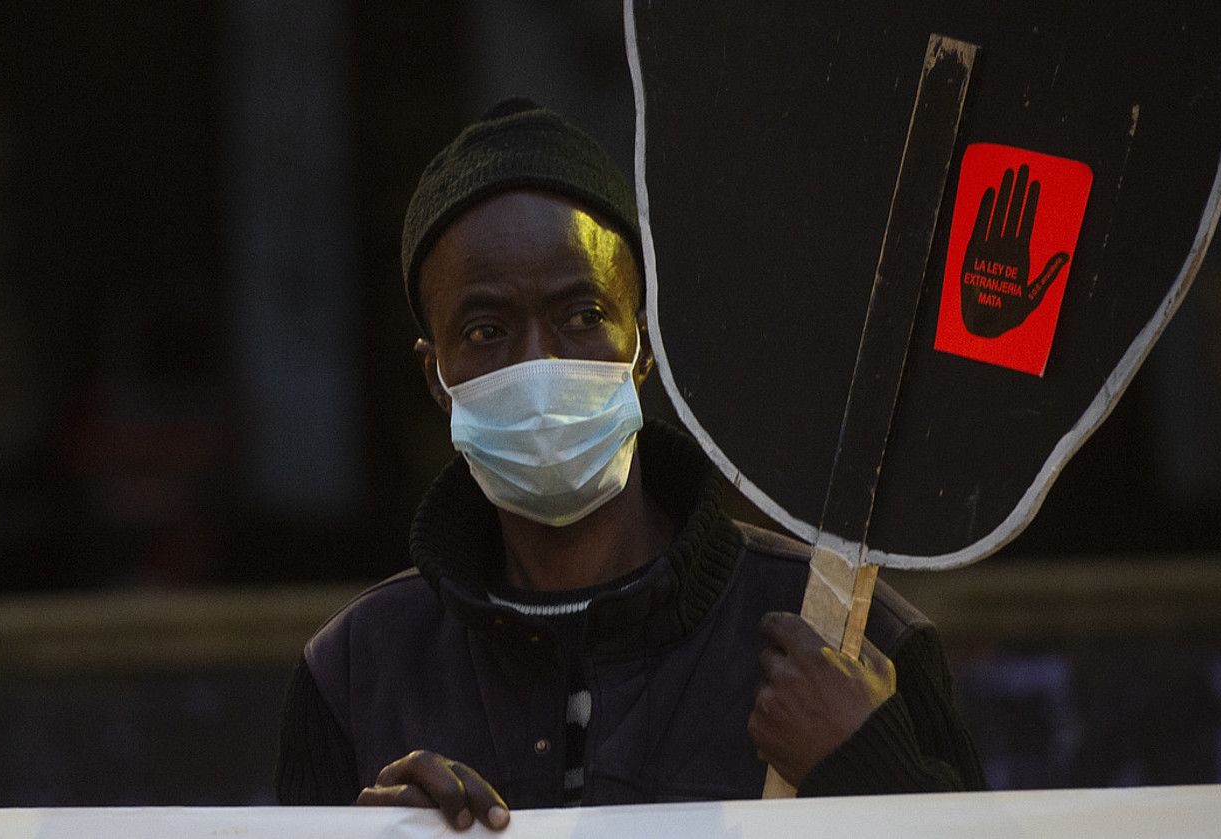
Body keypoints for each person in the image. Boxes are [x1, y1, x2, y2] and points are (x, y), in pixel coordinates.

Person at [275, 99, 985, 829]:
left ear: (642, 344)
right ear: (437, 376)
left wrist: (867, 768)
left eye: (582, 316)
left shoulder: (841, 636)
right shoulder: (356, 672)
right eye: (486, 330)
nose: (539, 363)